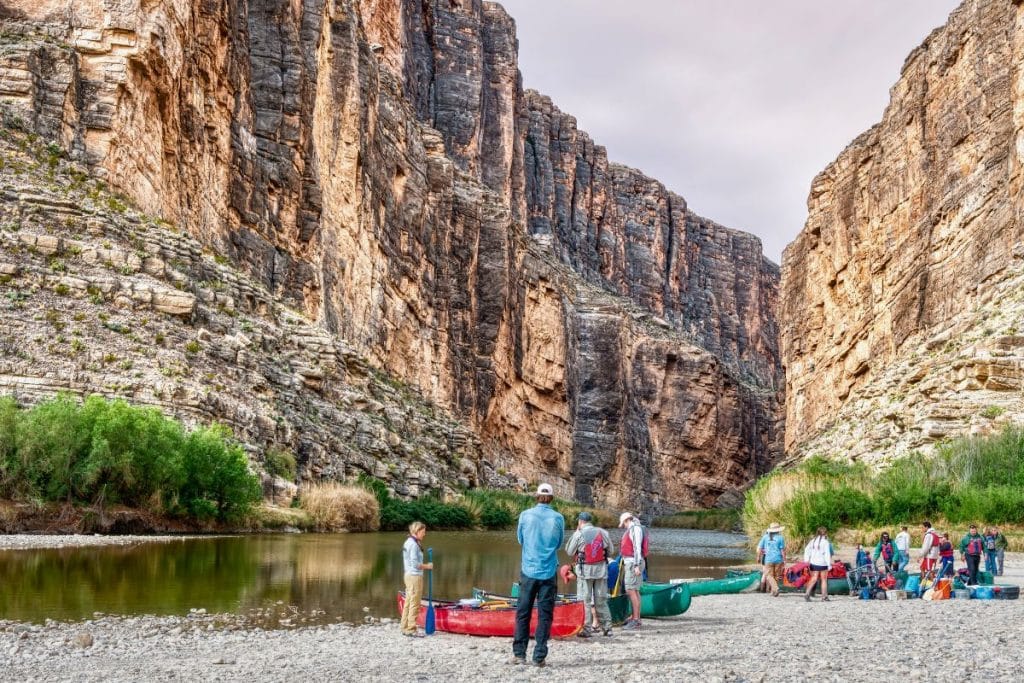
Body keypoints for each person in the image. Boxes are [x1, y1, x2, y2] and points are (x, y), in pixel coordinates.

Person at [511, 483, 564, 668]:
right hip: (548, 571)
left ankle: (519, 654)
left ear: (536, 496)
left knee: (523, 612)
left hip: (528, 570)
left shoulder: (525, 515)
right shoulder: (558, 518)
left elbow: (520, 539)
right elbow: (558, 544)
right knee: (545, 615)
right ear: (551, 498)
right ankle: (539, 656)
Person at [565, 511, 614, 637]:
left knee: (584, 600)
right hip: (601, 571)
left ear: (580, 522)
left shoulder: (579, 534)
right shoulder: (603, 532)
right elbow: (611, 551)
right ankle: (607, 628)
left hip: (585, 572)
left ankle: (586, 629)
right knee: (601, 600)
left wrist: (575, 533)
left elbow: (570, 552)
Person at [400, 521, 433, 637]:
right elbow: (415, 564)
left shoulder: (408, 542)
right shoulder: (413, 545)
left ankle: (404, 626)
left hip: (408, 576)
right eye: (423, 532)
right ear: (417, 531)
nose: (424, 534)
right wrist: (427, 566)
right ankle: (411, 629)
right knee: (415, 603)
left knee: (408, 601)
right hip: (414, 577)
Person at [619, 512, 648, 630]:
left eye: (624, 524)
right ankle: (636, 617)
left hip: (633, 563)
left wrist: (636, 565)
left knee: (631, 590)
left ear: (627, 521)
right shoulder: (635, 528)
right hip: (632, 562)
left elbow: (637, 547)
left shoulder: (635, 529)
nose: (624, 526)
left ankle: (636, 620)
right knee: (634, 590)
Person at [802, 527, 834, 602]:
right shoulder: (826, 542)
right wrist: (829, 564)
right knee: (824, 580)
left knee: (814, 578)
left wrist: (806, 560)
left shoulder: (813, 541)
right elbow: (827, 554)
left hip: (813, 563)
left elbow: (806, 550)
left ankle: (807, 593)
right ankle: (824, 597)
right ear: (825, 533)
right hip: (823, 563)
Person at [757, 523, 786, 597]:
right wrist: (784, 560)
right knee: (776, 576)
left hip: (769, 559)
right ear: (778, 530)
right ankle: (773, 592)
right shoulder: (780, 538)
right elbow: (782, 550)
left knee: (769, 575)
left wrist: (758, 557)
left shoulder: (765, 537)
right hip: (778, 559)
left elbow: (760, 548)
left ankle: (775, 589)